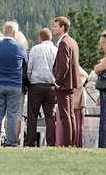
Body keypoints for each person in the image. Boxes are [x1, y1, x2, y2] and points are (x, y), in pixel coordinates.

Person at [0, 22, 27, 147]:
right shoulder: (20, 47)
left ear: (4, 32)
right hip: (14, 85)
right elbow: (25, 64)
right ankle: (11, 142)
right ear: (14, 33)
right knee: (12, 115)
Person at [24, 26, 59, 148]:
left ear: (40, 38)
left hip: (36, 86)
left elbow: (29, 68)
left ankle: (30, 142)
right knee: (50, 116)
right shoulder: (56, 50)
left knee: (32, 116)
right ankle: (51, 143)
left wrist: (28, 82)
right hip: (51, 86)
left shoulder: (35, 49)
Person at [52, 16, 83, 148]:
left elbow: (64, 65)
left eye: (55, 26)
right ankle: (72, 142)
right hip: (72, 83)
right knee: (70, 115)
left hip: (64, 84)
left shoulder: (64, 43)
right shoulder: (72, 42)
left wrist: (57, 81)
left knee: (65, 115)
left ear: (62, 27)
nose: (53, 29)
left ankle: (67, 143)